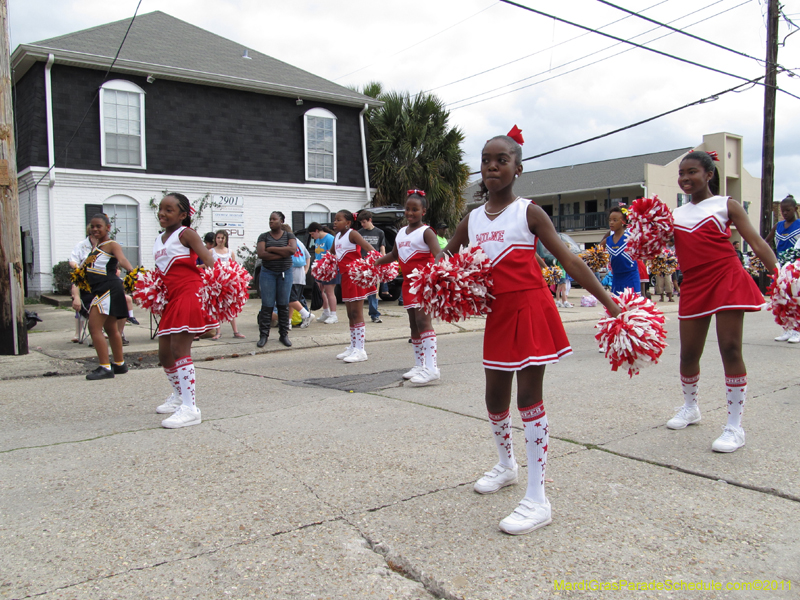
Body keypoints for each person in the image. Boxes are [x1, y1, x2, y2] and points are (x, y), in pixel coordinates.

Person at [441, 134, 620, 535]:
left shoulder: (529, 212)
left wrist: (608, 302)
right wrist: (422, 269)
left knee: (528, 397)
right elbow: (447, 255)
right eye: (486, 160)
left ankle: (538, 498)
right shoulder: (471, 219)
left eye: (501, 160)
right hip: (497, 314)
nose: (491, 167)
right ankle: (507, 465)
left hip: (531, 308)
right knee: (493, 395)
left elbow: (569, 259)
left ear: (517, 168)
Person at [666, 151, 777, 453]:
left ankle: (734, 426)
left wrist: (780, 277)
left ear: (709, 174)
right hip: (694, 284)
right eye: (682, 173)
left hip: (727, 277)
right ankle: (691, 408)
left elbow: (756, 241)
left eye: (692, 172)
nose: (686, 178)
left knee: (730, 348)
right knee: (689, 353)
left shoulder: (726, 205)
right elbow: (652, 247)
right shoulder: (673, 216)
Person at [152, 193, 219, 428]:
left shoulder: (186, 234)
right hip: (172, 298)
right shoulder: (160, 239)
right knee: (164, 353)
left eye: (169, 210)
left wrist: (218, 289)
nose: (162, 213)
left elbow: (210, 262)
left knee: (180, 348)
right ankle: (179, 396)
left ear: (183, 215)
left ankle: (191, 409)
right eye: (161, 208)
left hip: (189, 292)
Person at [374, 190, 441, 383]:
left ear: (423, 211)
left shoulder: (427, 231)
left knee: (423, 322)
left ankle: (432, 367)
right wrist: (376, 262)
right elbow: (394, 255)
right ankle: (420, 364)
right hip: (408, 284)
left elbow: (438, 254)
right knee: (413, 324)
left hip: (423, 283)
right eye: (408, 209)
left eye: (415, 209)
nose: (410, 213)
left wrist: (438, 272)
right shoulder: (401, 232)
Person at [82, 213, 134, 380]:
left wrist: (134, 274)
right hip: (101, 289)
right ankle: (119, 364)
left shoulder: (112, 245)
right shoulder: (96, 246)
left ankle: (105, 367)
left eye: (99, 226)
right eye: (93, 226)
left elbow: (123, 260)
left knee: (94, 327)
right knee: (111, 328)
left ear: (107, 228)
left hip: (108, 289)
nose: (95, 229)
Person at [332, 210, 375, 363]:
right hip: (345, 277)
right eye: (334, 219)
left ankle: (361, 349)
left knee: (357, 313)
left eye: (339, 220)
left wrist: (368, 267)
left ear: (348, 223)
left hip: (355, 277)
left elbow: (370, 249)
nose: (335, 222)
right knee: (350, 313)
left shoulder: (353, 234)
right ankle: (353, 346)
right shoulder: (336, 237)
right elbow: (330, 255)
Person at [256, 212, 297, 348]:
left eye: (274, 219)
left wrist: (272, 249)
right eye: (270, 219)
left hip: (285, 273)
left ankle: (283, 334)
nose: (271, 221)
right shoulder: (263, 236)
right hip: (268, 273)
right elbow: (262, 254)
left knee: (283, 304)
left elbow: (292, 250)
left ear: (281, 221)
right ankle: (263, 335)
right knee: (267, 305)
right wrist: (282, 253)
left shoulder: (289, 236)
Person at [766, 195, 800, 343]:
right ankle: (787, 328)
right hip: (781, 268)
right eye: (782, 210)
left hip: (796, 269)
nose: (785, 213)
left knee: (796, 299)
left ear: (796, 209)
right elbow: (764, 242)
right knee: (782, 299)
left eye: (788, 210)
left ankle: (797, 330)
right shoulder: (778, 226)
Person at [210, 230, 245, 339]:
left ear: (226, 239)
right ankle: (218, 332)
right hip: (216, 283)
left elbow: (235, 268)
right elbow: (209, 267)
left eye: (222, 238)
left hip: (229, 283)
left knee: (231, 305)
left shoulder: (230, 252)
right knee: (217, 306)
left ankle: (235, 331)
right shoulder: (211, 252)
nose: (220, 240)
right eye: (218, 238)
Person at [601, 207, 640, 295]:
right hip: (616, 278)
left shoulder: (631, 238)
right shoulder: (607, 241)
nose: (611, 222)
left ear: (623, 222)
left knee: (632, 305)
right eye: (610, 220)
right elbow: (594, 254)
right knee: (617, 306)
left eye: (615, 220)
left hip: (631, 278)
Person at [357, 210, 386, 323]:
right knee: (359, 291)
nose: (362, 225)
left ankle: (374, 315)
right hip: (362, 265)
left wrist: (383, 260)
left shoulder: (380, 232)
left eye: (364, 222)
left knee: (373, 291)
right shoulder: (359, 233)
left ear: (370, 220)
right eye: (361, 223)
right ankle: (358, 315)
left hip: (374, 265)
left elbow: (382, 247)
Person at [285, 223, 315, 328]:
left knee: (289, 298)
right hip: (301, 274)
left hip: (291, 274)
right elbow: (308, 256)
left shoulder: (286, 242)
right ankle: (288, 322)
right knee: (293, 299)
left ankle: (306, 315)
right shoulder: (299, 242)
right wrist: (306, 269)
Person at [308, 223, 339, 324]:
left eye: (312, 234)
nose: (312, 237)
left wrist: (328, 265)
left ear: (317, 231)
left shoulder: (329, 238)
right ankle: (326, 312)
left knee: (329, 291)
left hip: (329, 268)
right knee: (319, 291)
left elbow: (334, 253)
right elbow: (318, 254)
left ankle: (334, 315)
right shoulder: (317, 240)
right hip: (319, 269)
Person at [69, 227, 95, 343]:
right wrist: (79, 269)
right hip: (83, 277)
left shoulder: (104, 245)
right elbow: (72, 260)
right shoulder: (81, 245)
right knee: (79, 297)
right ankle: (78, 332)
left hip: (97, 279)